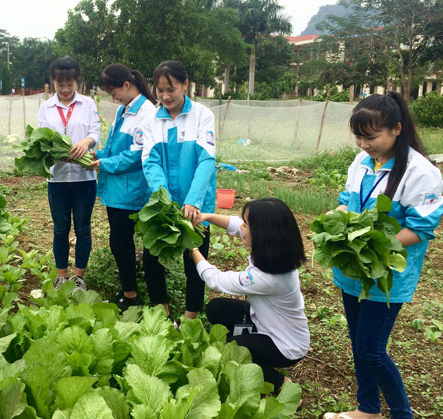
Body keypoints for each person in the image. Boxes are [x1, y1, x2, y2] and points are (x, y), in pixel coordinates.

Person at [323, 92, 443, 419]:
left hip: (387, 276)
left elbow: (420, 229)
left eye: (370, 136)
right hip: (353, 270)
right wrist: (334, 221)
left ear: (396, 129)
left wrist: (376, 246)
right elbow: (348, 203)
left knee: (371, 350)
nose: (363, 144)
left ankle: (402, 414)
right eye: (359, 136)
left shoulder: (421, 173)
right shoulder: (361, 163)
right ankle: (368, 410)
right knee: (358, 344)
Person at [190, 198, 309, 395]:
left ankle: (281, 383)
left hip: (284, 344)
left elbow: (216, 279)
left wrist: (193, 248)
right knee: (216, 308)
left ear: (263, 234)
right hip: (264, 320)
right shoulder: (280, 254)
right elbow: (236, 225)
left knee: (230, 352)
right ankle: (254, 347)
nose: (241, 227)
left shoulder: (267, 278)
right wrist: (207, 217)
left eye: (247, 224)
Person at [141, 60, 216, 320]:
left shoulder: (202, 115)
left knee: (195, 260)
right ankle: (160, 312)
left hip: (197, 205)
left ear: (186, 84)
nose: (165, 96)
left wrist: (193, 200)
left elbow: (206, 159)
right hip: (164, 205)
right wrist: (165, 201)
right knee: (151, 258)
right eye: (160, 90)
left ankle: (190, 317)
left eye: (171, 89)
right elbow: (150, 161)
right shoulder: (152, 118)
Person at [89, 63, 157, 311]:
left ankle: (130, 297)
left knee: (122, 242)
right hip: (117, 187)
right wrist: (92, 154)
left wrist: (103, 163)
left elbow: (136, 156)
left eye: (113, 91)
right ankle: (129, 291)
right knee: (120, 242)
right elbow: (111, 147)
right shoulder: (123, 110)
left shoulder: (147, 113)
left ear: (127, 85)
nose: (112, 97)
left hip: (131, 190)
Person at [38, 56, 101, 292]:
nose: (65, 90)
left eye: (70, 84)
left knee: (83, 228)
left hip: (85, 178)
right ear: (53, 82)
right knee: (61, 228)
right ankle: (61, 277)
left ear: (77, 82)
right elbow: (43, 139)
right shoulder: (46, 108)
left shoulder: (88, 104)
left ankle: (79, 277)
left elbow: (96, 132)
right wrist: (58, 153)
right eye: (60, 84)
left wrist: (86, 143)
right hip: (58, 178)